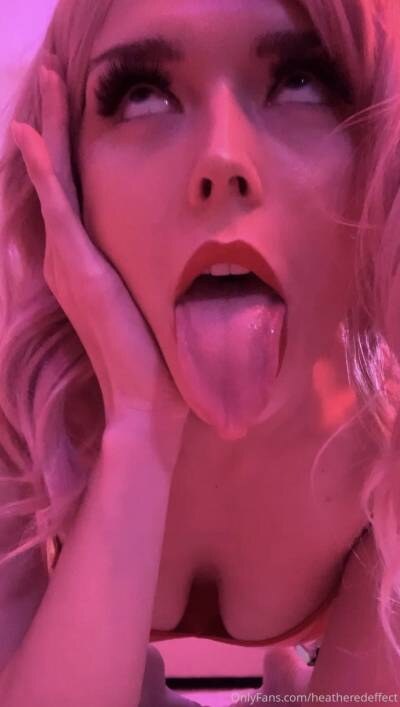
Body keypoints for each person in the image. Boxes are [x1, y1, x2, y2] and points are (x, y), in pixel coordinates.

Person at [0, 0, 400, 704]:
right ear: (67, 163)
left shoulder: (387, 423)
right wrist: (137, 424)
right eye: (142, 93)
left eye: (302, 81)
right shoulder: (19, 384)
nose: (223, 160)